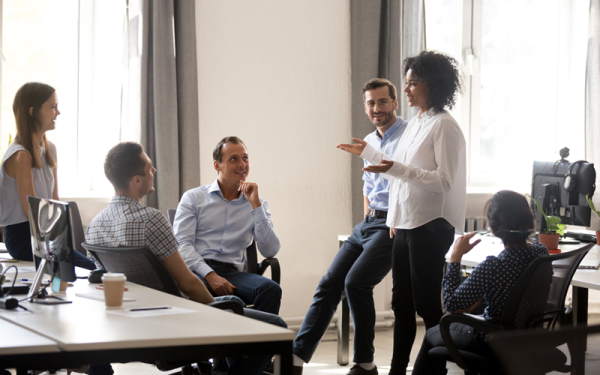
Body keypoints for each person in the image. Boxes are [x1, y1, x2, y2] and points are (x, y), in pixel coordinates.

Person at [86, 141, 286, 375]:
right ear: (136, 180)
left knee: (255, 297)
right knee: (272, 325)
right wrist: (222, 310)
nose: (155, 171)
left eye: (245, 158)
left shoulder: (95, 225)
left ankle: (234, 366)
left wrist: (256, 205)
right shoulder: (153, 218)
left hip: (135, 322)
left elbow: (100, 278)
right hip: (176, 315)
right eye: (150, 167)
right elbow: (189, 283)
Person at [337, 50, 467, 374]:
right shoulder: (419, 122)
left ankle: (435, 369)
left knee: (426, 307)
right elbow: (398, 173)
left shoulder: (444, 126)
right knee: (401, 306)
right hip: (405, 225)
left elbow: (444, 181)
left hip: (431, 225)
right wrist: (394, 217)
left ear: (431, 84)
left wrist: (396, 169)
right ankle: (398, 369)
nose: (406, 90)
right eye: (406, 83)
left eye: (411, 84)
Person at [292, 78, 408, 375]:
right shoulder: (367, 141)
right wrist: (367, 217)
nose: (376, 108)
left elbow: (408, 181)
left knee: (356, 283)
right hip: (368, 223)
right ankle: (295, 359)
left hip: (393, 224)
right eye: (371, 103)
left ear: (395, 102)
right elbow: (368, 187)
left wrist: (394, 220)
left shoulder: (409, 136)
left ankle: (365, 363)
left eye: (383, 101)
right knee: (329, 284)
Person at [412, 190, 549, 374]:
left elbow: (452, 304)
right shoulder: (541, 253)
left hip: (492, 339)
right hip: (529, 336)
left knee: (431, 335)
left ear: (492, 228)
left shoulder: (494, 266)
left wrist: (455, 257)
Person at [173, 136, 282, 315]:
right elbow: (182, 245)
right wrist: (210, 275)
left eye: (245, 158)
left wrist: (256, 206)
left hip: (232, 274)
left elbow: (270, 251)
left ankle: (258, 343)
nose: (242, 164)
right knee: (233, 302)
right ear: (217, 165)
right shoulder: (193, 198)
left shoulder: (258, 203)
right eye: (234, 159)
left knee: (270, 290)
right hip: (196, 271)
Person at [0, 82, 95, 270]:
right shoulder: (21, 155)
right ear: (33, 111)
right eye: (52, 107)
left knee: (89, 267)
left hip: (46, 234)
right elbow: (32, 210)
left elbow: (54, 200)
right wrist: (61, 246)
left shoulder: (50, 149)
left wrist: (67, 242)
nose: (58, 112)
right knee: (89, 268)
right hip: (23, 237)